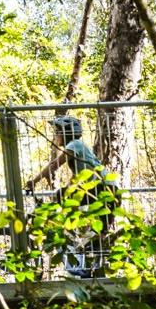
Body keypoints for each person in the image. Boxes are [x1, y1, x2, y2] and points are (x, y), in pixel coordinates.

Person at [30, 114, 120, 275]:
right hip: (103, 190)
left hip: (104, 190)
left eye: (57, 133)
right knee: (95, 234)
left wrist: (33, 181)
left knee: (62, 197)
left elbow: (54, 164)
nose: (55, 137)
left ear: (65, 133)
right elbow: (76, 179)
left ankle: (70, 234)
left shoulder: (75, 145)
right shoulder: (78, 151)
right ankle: (88, 264)